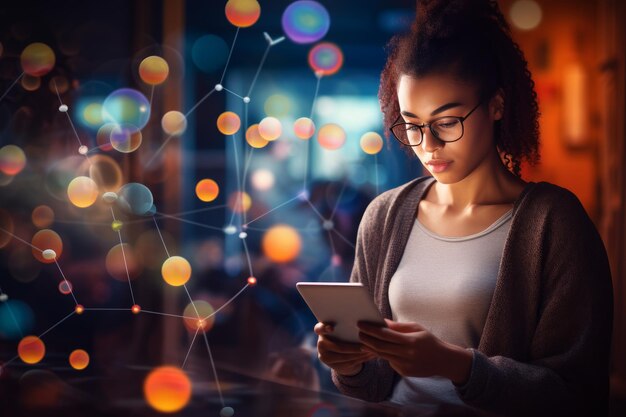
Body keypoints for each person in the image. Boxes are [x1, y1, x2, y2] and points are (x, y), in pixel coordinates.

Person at [313, 1, 614, 416]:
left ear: (495, 105)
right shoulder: (384, 215)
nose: (428, 146)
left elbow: (577, 393)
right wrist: (348, 363)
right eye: (412, 124)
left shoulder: (553, 222)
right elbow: (372, 384)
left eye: (447, 121)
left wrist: (457, 365)